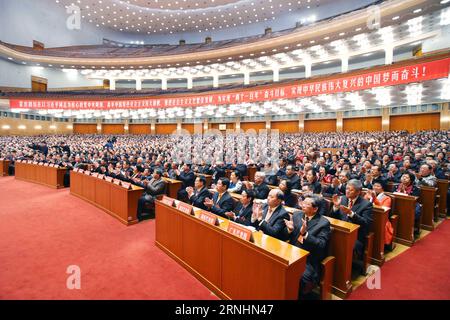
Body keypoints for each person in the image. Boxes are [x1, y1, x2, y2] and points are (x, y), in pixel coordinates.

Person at [283, 196, 331, 299]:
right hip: (291, 253)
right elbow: (286, 236)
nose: (303, 205)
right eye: (303, 203)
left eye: (307, 204)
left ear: (315, 209)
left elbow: (321, 244)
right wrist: (290, 230)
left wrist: (305, 234)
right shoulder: (296, 215)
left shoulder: (323, 223)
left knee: (298, 277)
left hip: (309, 259)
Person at [329, 179, 373, 269]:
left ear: (358, 192)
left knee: (344, 247)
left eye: (351, 190)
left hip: (356, 235)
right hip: (339, 230)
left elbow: (366, 223)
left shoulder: (366, 204)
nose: (347, 191)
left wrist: (351, 213)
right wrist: (336, 207)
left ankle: (344, 270)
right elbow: (332, 217)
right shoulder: (342, 199)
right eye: (347, 189)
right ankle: (331, 267)